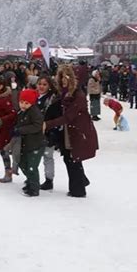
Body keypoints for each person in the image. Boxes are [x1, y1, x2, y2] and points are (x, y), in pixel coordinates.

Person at [44, 65, 99, 198]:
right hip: (69, 133)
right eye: (61, 76)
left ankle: (78, 189)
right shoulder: (64, 94)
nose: (63, 80)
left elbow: (69, 116)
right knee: (70, 159)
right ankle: (80, 182)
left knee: (73, 160)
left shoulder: (77, 95)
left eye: (66, 77)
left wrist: (48, 124)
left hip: (78, 132)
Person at [14, 89, 45, 196]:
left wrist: (21, 130)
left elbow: (37, 126)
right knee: (23, 164)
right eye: (21, 102)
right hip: (25, 144)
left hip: (36, 145)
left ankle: (34, 187)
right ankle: (30, 181)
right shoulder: (21, 112)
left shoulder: (34, 112)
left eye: (26, 103)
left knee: (32, 166)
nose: (23, 105)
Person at [35, 76, 62, 191]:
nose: (41, 86)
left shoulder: (53, 100)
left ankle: (49, 179)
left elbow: (56, 117)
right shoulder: (34, 96)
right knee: (33, 156)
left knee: (47, 156)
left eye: (44, 84)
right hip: (35, 132)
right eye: (39, 84)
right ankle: (32, 177)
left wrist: (51, 131)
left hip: (48, 132)